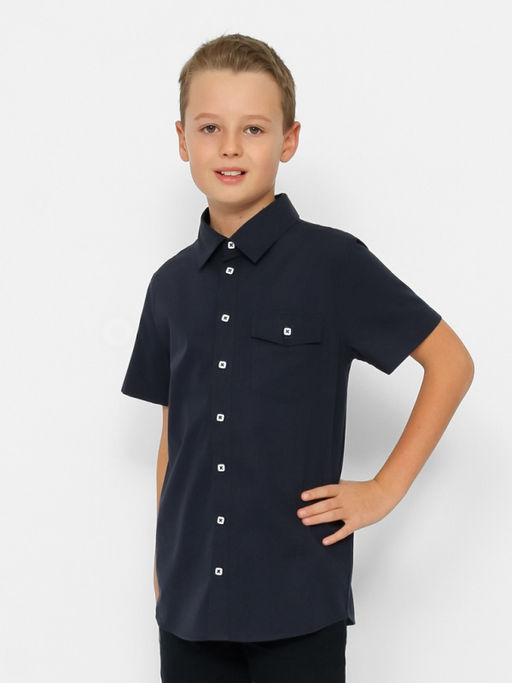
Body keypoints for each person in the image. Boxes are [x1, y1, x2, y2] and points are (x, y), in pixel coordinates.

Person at [120, 33, 474, 683]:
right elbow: (175, 431)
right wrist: (164, 564)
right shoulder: (169, 286)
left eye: (253, 128)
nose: (230, 146)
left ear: (288, 140)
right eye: (210, 127)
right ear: (182, 139)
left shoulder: (333, 264)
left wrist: (384, 489)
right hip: (188, 606)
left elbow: (451, 362)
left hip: (298, 603)